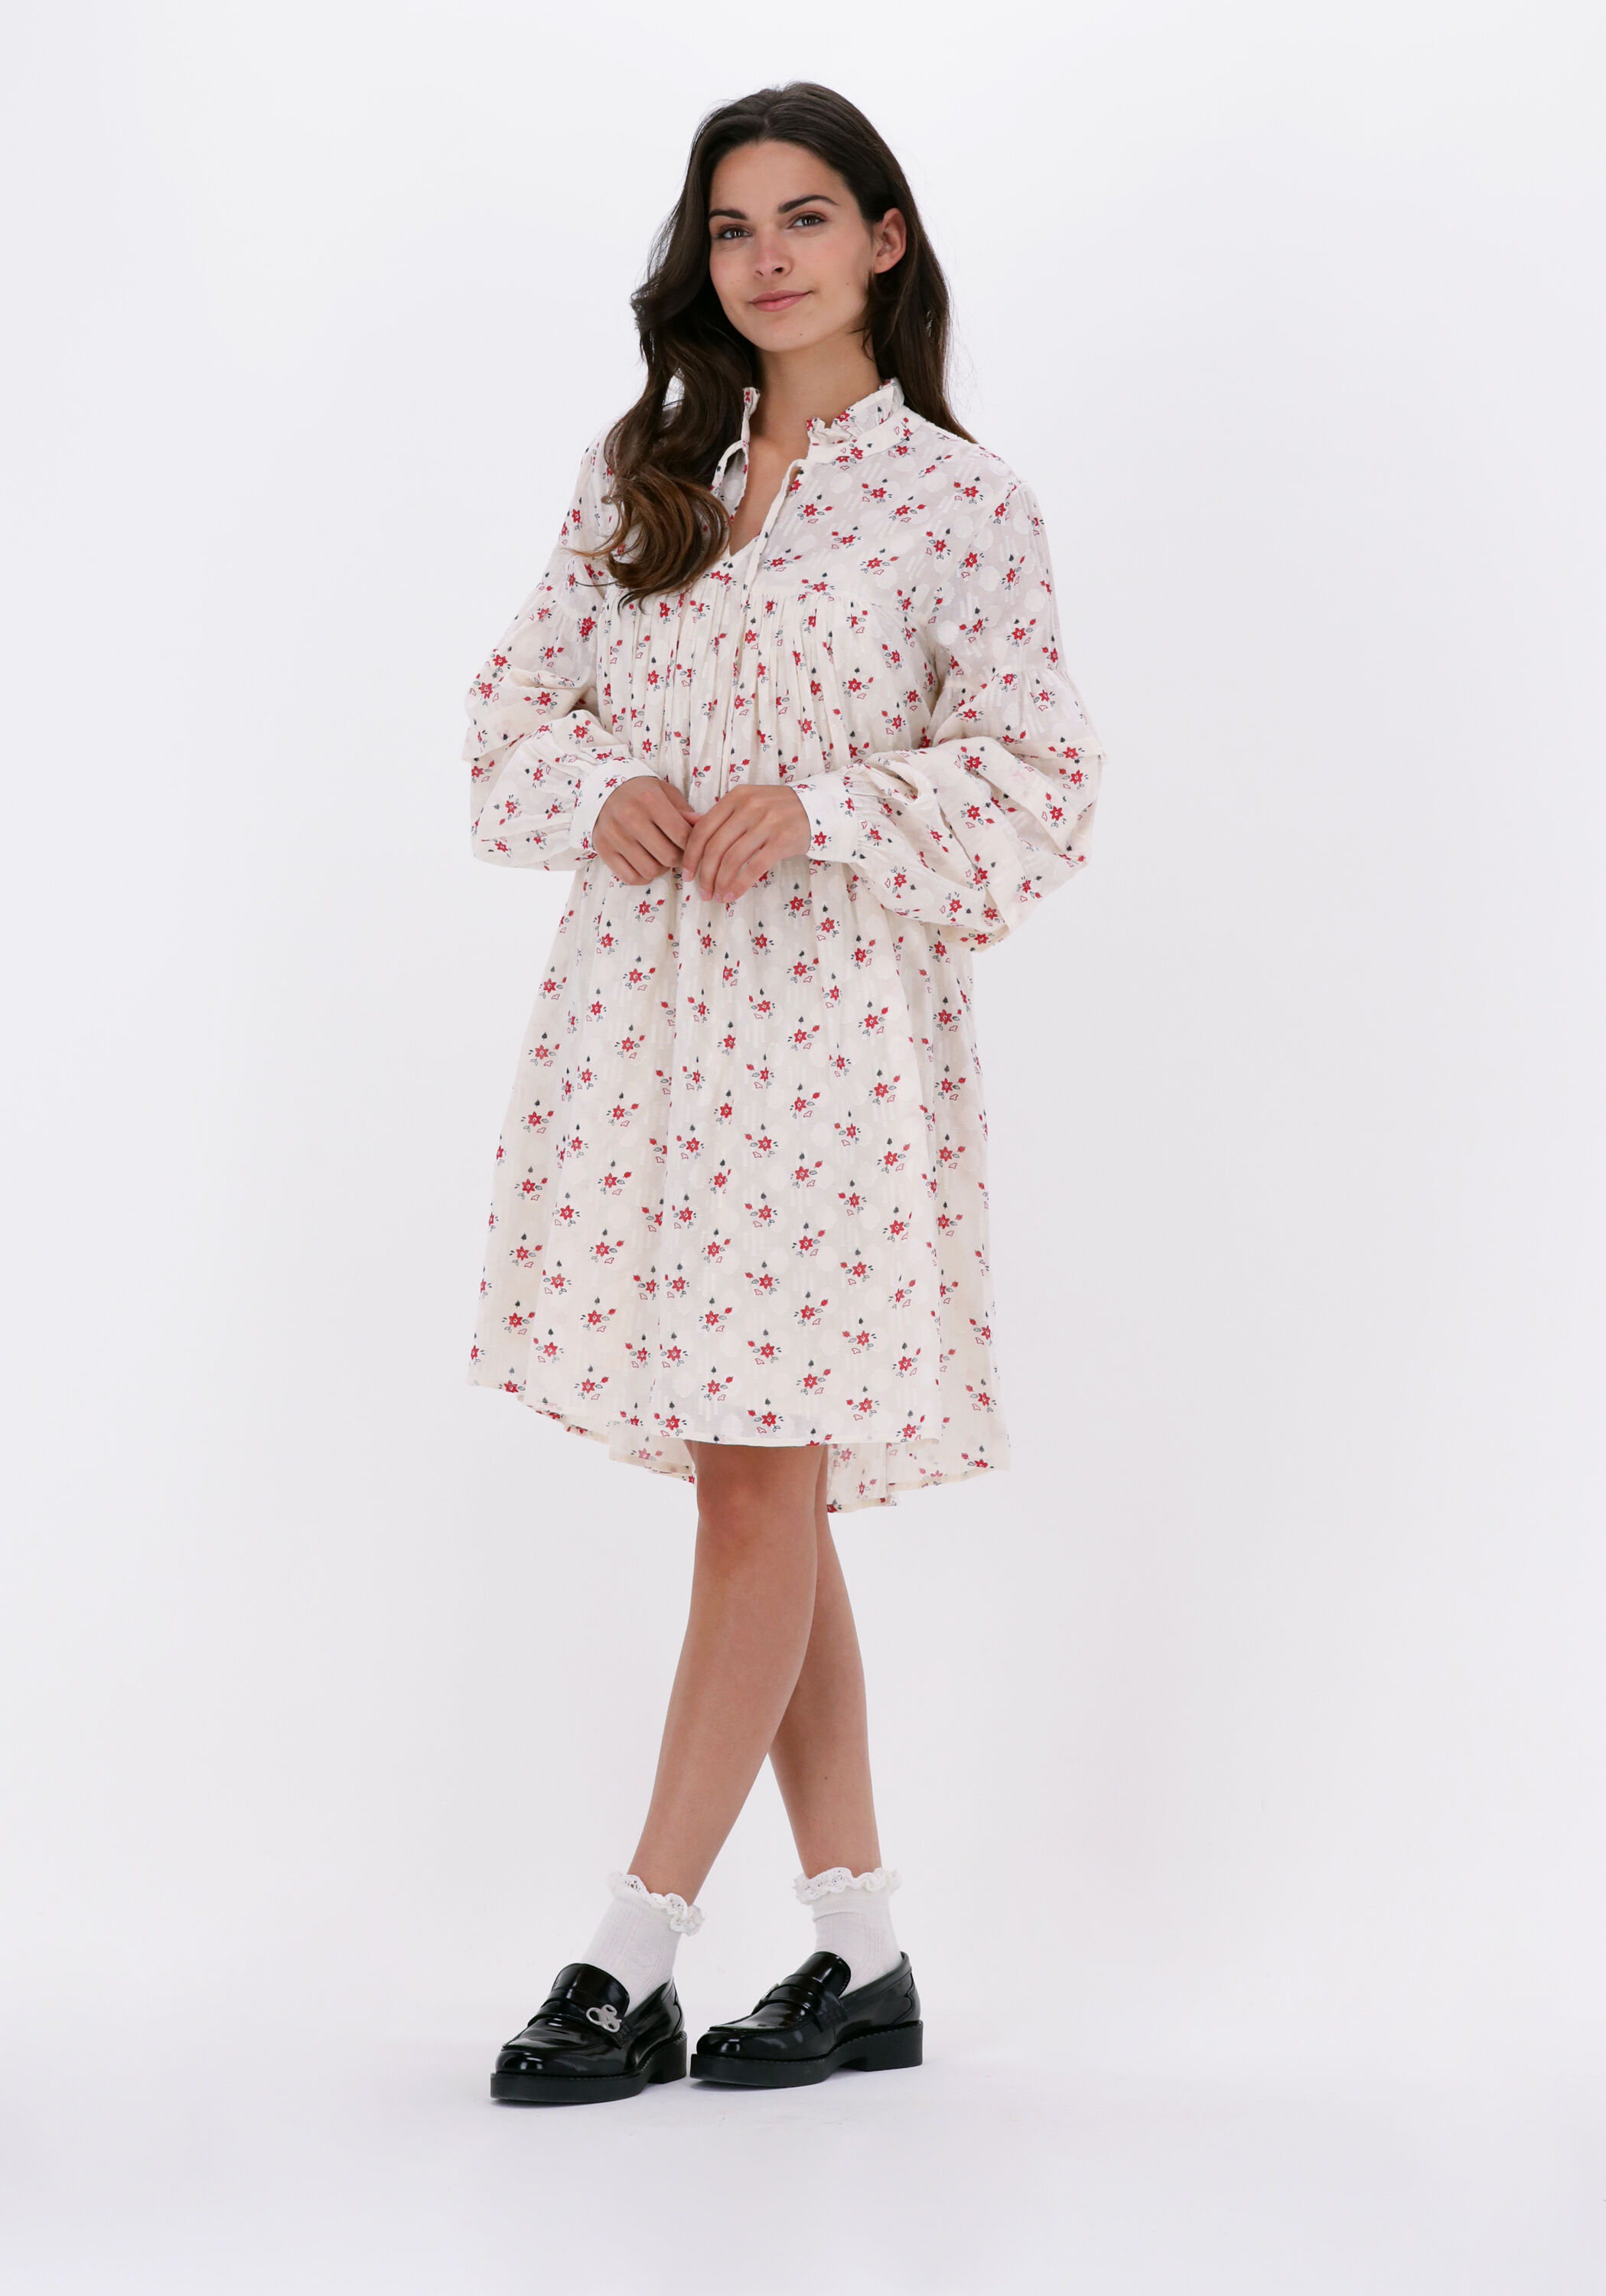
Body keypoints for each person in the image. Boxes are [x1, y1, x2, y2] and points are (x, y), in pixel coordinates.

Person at [462, 81, 1106, 2105]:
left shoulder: (959, 506)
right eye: (732, 226)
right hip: (650, 1036)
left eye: (807, 217)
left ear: (883, 241)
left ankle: (630, 1946)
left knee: (758, 1480)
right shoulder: (645, 477)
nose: (767, 258)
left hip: (831, 1051)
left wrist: (823, 807)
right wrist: (605, 787)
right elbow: (509, 724)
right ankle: (862, 1955)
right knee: (768, 1485)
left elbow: (1042, 783)